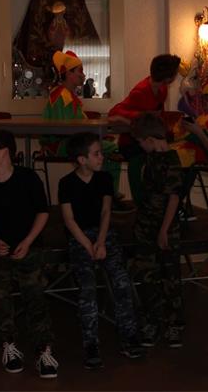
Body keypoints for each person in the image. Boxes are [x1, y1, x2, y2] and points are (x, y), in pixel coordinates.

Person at [0, 130, 58, 379]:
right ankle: (9, 345)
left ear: (4, 152)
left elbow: (42, 213)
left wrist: (28, 242)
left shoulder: (28, 178)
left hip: (29, 247)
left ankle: (43, 350)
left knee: (35, 291)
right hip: (0, 250)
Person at [58, 132, 145, 369]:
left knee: (121, 280)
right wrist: (88, 246)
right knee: (87, 288)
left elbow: (106, 212)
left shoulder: (104, 178)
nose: (101, 157)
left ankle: (129, 335)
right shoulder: (66, 183)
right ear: (82, 159)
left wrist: (101, 242)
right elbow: (69, 220)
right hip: (79, 238)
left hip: (104, 235)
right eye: (96, 154)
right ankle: (91, 344)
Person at [129, 113, 185, 348]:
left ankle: (174, 324)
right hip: (145, 225)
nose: (140, 146)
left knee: (170, 276)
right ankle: (151, 321)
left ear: (150, 139)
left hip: (166, 227)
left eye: (140, 142)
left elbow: (174, 198)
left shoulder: (172, 161)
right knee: (146, 274)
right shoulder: (148, 159)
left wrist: (164, 230)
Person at [42, 50, 124, 203]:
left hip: (69, 140)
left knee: (105, 151)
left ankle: (103, 194)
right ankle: (108, 194)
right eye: (80, 71)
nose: (83, 75)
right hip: (61, 144)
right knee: (111, 149)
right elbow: (68, 128)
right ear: (69, 74)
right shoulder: (62, 96)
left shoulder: (68, 95)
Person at [108, 54, 181, 205]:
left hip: (148, 138)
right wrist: (133, 118)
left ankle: (163, 201)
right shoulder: (140, 92)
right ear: (168, 77)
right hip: (132, 141)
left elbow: (157, 116)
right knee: (140, 160)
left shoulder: (162, 89)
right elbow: (114, 113)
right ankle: (142, 203)